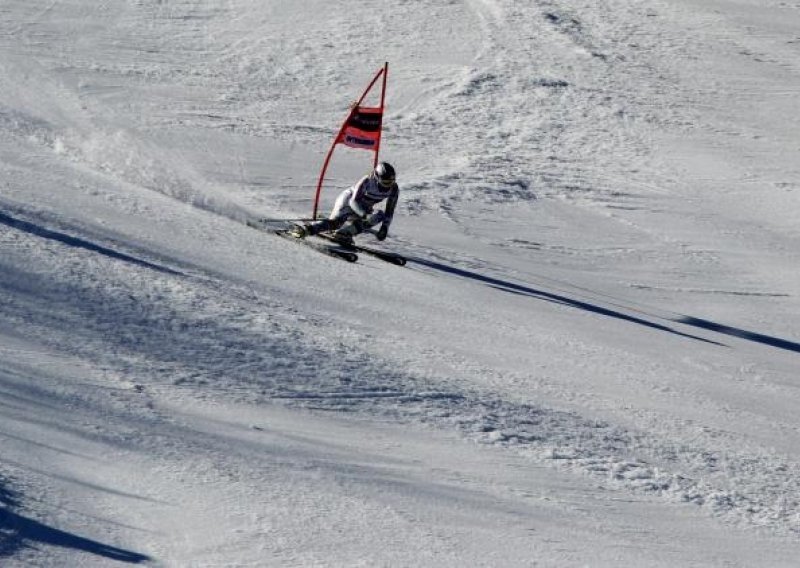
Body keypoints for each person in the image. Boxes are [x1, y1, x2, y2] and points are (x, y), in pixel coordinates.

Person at [293, 162, 398, 243]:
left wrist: (384, 228)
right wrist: (364, 215)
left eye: (391, 182)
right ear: (377, 177)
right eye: (386, 182)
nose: (389, 185)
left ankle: (345, 233)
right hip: (348, 201)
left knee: (379, 215)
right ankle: (306, 229)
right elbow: (354, 201)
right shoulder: (367, 181)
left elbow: (389, 212)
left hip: (363, 207)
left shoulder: (394, 189)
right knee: (335, 223)